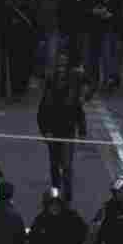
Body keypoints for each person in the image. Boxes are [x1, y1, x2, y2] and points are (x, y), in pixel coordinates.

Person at [37, 70, 87, 200]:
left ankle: (67, 193)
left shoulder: (71, 95)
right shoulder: (48, 96)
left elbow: (79, 112)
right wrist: (45, 132)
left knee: (66, 165)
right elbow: (41, 115)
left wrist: (82, 131)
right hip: (53, 134)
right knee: (54, 165)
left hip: (67, 133)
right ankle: (56, 191)